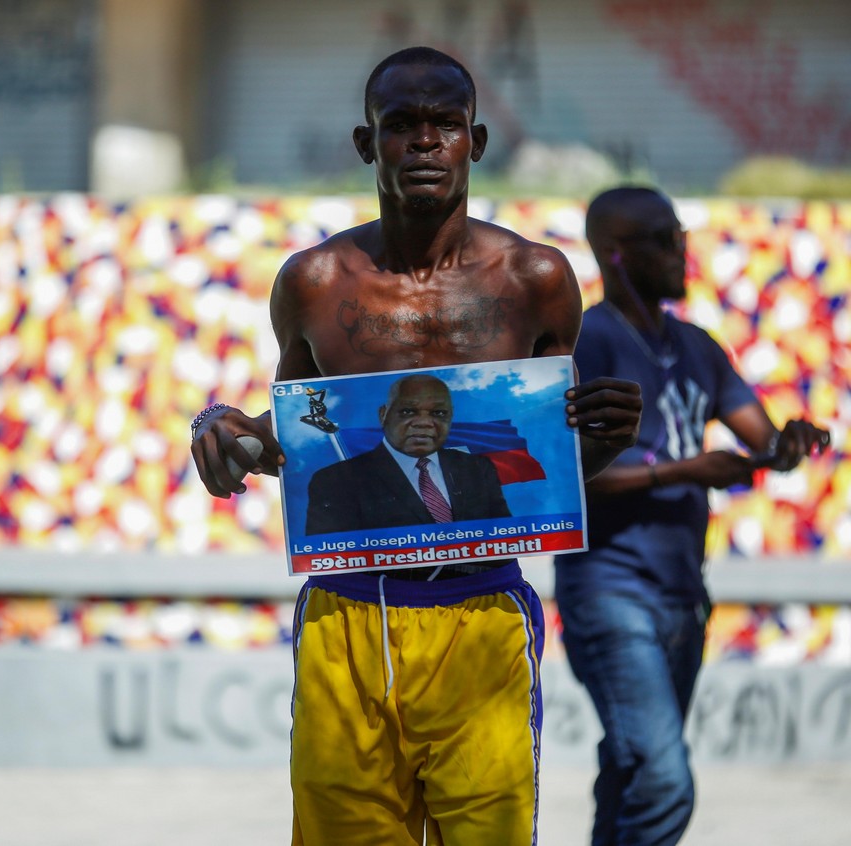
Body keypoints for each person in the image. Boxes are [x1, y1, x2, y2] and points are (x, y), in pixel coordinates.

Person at [190, 47, 642, 844]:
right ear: (368, 145)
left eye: (445, 125)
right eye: (403, 125)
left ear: (476, 140)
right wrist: (225, 436)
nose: (425, 142)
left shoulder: (535, 279)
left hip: (480, 614)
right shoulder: (315, 283)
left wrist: (606, 443)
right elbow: (299, 435)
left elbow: (546, 472)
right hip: (347, 617)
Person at [553, 186, 831, 846]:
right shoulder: (586, 343)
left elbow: (760, 440)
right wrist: (682, 471)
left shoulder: (696, 345)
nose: (682, 250)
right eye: (663, 239)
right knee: (664, 777)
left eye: (679, 234)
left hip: (683, 593)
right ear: (616, 255)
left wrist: (786, 444)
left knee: (632, 767)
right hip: (609, 591)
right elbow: (561, 475)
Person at [305, 373, 510, 534]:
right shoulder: (335, 480)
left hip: (481, 585)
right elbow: (327, 555)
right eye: (408, 412)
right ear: (383, 415)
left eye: (438, 413)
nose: (423, 422)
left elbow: (506, 540)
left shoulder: (477, 469)